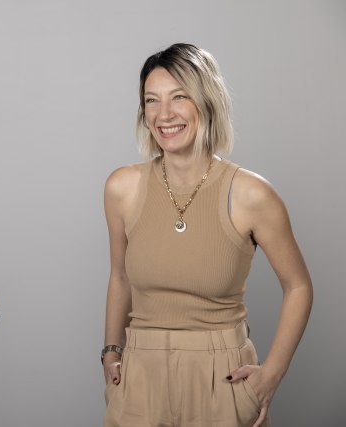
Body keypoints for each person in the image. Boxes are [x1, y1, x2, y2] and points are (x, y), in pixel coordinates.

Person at [101, 43, 312, 427]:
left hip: (223, 379)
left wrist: (272, 373)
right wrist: (111, 352)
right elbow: (121, 276)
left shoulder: (251, 195)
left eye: (179, 97)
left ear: (207, 101)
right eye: (152, 100)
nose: (164, 114)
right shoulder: (122, 188)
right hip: (140, 375)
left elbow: (298, 286)